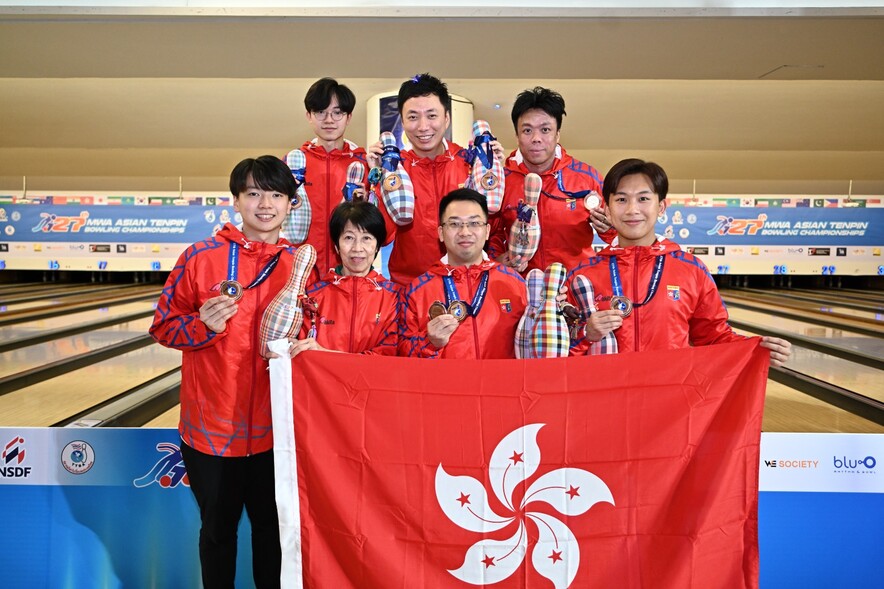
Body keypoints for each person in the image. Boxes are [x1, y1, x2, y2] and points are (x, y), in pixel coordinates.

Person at [150, 155, 305, 588]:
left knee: (273, 536)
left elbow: (314, 340)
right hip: (212, 429)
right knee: (217, 533)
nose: (265, 204)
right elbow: (162, 325)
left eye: (276, 194)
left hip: (277, 431)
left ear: (291, 204)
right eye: (254, 193)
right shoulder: (200, 257)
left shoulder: (300, 268)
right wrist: (203, 326)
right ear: (236, 200)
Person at [566, 158, 792, 367]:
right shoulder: (583, 275)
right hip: (606, 401)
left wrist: (755, 349)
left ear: (661, 207)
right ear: (607, 208)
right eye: (621, 200)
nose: (632, 210)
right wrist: (587, 333)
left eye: (643, 199)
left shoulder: (691, 270)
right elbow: (559, 348)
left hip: (671, 400)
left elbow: (714, 337)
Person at [368, 73, 504, 287]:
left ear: (446, 118)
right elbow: (381, 236)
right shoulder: (396, 168)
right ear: (402, 122)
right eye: (413, 117)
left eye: (432, 116)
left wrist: (496, 173)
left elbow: (492, 226)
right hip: (409, 287)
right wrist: (377, 179)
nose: (423, 127)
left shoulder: (468, 162)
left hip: (467, 285)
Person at [488, 87, 616, 274]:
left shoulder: (586, 178)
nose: (536, 139)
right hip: (520, 287)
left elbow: (615, 234)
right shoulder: (502, 181)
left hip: (573, 288)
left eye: (545, 130)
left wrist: (608, 228)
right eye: (527, 130)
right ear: (516, 135)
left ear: (557, 134)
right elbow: (492, 232)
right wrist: (497, 260)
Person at [401, 188, 527, 359]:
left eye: (474, 223)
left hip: (502, 385)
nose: (465, 232)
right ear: (441, 233)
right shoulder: (417, 291)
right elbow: (400, 354)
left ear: (487, 230)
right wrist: (429, 342)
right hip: (446, 386)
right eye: (454, 224)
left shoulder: (515, 283)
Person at [290, 200, 401, 356]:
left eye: (366, 238)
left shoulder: (395, 297)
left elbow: (389, 355)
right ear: (336, 245)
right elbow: (303, 353)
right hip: (322, 381)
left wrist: (325, 354)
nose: (357, 248)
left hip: (374, 380)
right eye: (348, 238)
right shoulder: (311, 296)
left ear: (377, 246)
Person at [297, 77, 367, 274]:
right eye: (321, 112)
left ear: (349, 117)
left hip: (348, 272)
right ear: (309, 116)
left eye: (337, 113)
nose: (329, 120)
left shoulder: (364, 164)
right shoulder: (294, 163)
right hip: (302, 272)